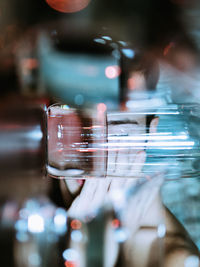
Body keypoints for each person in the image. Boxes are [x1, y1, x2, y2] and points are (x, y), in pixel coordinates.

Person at [48, 52, 200, 267]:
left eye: (117, 134)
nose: (93, 157)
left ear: (150, 133)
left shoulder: (174, 261)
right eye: (78, 127)